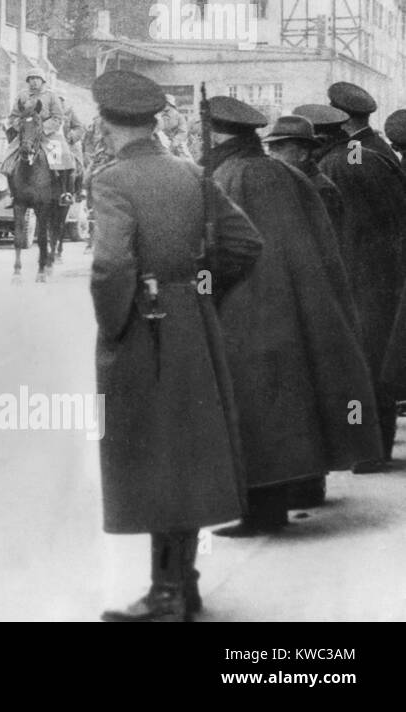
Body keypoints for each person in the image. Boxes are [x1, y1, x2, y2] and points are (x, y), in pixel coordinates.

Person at [88, 71, 263, 622]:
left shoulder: (112, 180)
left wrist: (115, 324)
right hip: (190, 321)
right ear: (154, 119)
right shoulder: (192, 172)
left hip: (145, 323)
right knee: (183, 452)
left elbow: (112, 265)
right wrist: (199, 289)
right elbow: (244, 244)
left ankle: (167, 596)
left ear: (104, 121)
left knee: (151, 454)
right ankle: (180, 583)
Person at [207, 96, 381, 533]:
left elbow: (218, 249)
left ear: (217, 134)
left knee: (256, 407)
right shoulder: (291, 176)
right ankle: (302, 484)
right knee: (297, 397)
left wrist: (203, 291)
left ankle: (261, 511)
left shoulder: (227, 176)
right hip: (303, 304)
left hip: (248, 308)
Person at [318, 82, 406, 469]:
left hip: (362, 274)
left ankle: (368, 450)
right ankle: (373, 446)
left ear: (340, 117)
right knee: (378, 361)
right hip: (383, 274)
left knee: (364, 364)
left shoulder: (351, 157)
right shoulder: (377, 149)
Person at [264, 115, 342, 234]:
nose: (272, 155)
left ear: (303, 154)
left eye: (279, 148)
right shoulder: (284, 181)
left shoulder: (321, 189)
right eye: (270, 148)